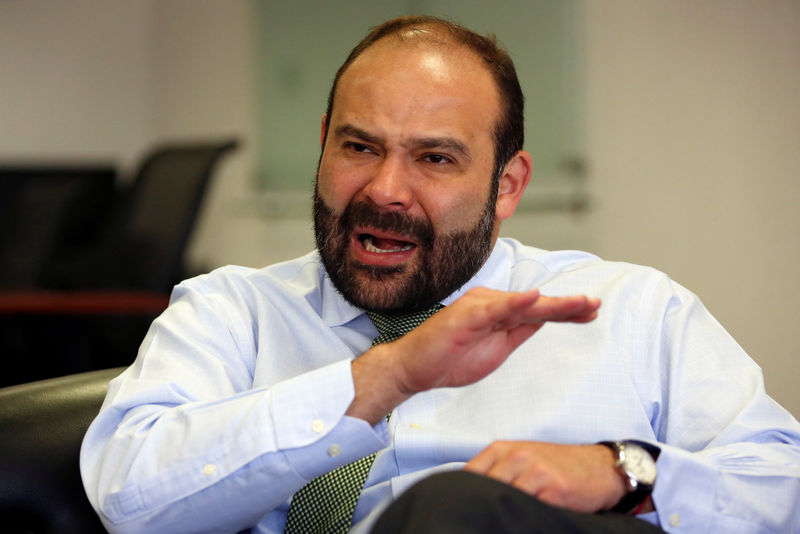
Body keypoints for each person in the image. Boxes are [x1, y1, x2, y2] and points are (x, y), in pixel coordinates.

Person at [80, 15, 800, 534]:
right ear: (324, 142)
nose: (386, 190)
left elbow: (782, 487)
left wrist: (627, 473)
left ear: (508, 185)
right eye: (360, 146)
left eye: (435, 158)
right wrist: (381, 381)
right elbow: (132, 499)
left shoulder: (631, 311)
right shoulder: (228, 314)